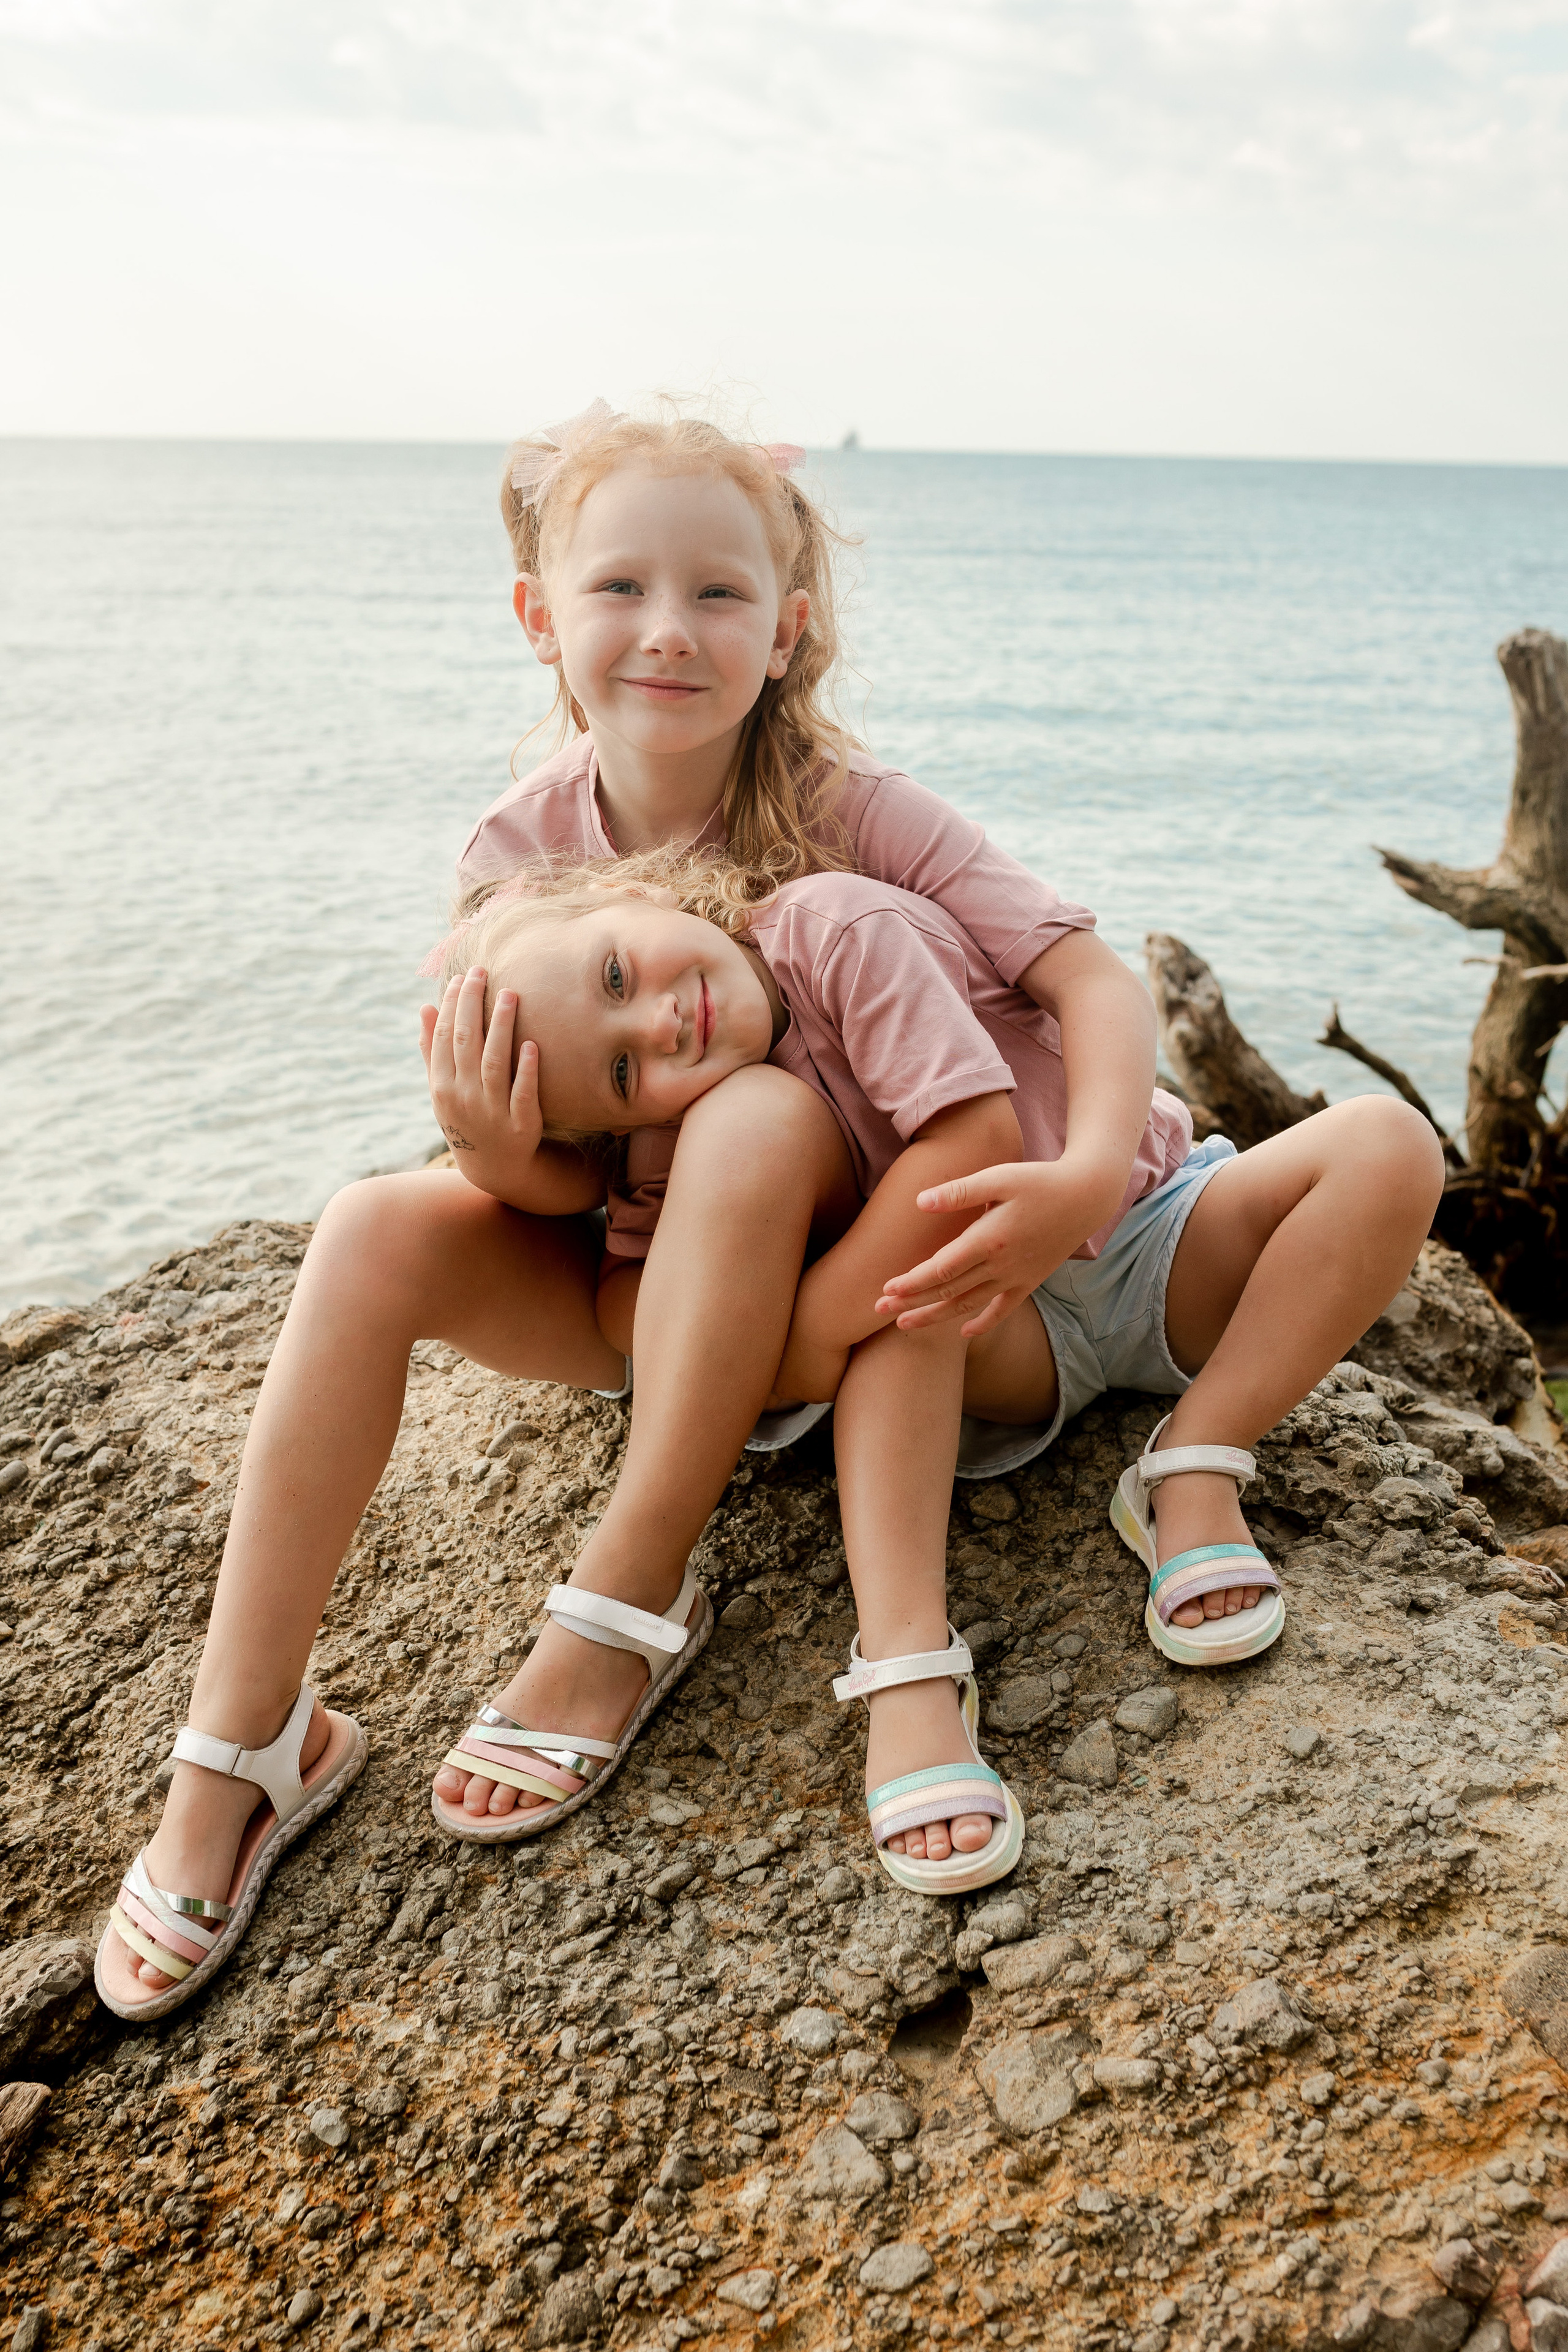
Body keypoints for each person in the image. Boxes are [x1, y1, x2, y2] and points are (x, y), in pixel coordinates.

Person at [96, 397, 1168, 2013]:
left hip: (846, 1303)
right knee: (369, 1228)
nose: (667, 633)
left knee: (746, 1107)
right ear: (541, 617)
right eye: (619, 590)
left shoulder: (854, 817)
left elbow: (1087, 974)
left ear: (788, 632)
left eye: (718, 595)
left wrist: (1087, 1172)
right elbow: (558, 1171)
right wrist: (494, 1154)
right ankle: (245, 1742)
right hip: (665, 1308)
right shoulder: (521, 850)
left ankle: (627, 1589)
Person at [418, 848, 1444, 1896]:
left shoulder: (836, 929)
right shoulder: (686, 1129)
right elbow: (630, 1301)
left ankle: (1196, 1457)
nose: (655, 1028)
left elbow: (971, 1142)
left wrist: (803, 1333)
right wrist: (508, 1170)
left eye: (616, 977)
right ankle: (907, 1668)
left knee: (1388, 1142)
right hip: (990, 1330)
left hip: (1148, 1236)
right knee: (909, 1287)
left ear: (643, 893)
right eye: (625, 1074)